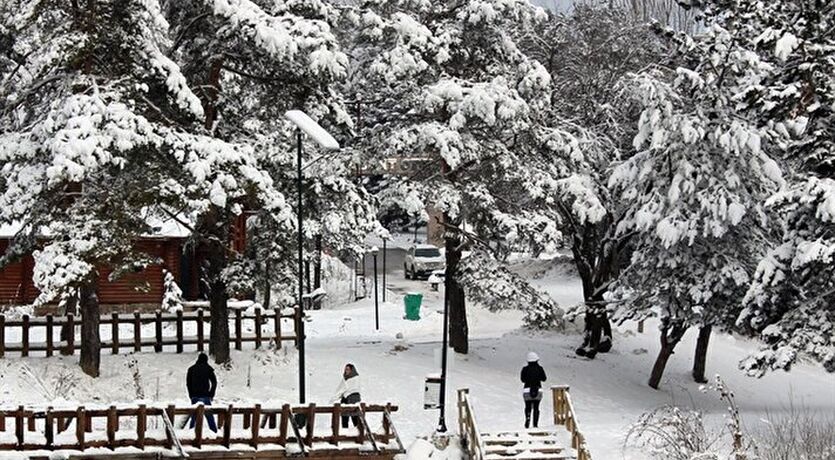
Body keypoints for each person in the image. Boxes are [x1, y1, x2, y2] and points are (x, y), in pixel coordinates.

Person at [186, 353, 218, 432]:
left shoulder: (191, 369)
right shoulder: (208, 368)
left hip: (195, 395)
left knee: (194, 415)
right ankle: (214, 432)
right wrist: (211, 394)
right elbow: (214, 382)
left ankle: (191, 432)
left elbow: (188, 383)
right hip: (205, 395)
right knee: (209, 416)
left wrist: (191, 394)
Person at [520, 351, 547, 429]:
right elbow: (544, 379)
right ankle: (535, 424)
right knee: (536, 407)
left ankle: (527, 418)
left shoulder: (524, 369)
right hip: (538, 390)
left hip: (527, 390)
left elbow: (522, 380)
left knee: (527, 406)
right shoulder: (540, 368)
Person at [331, 363, 361, 428]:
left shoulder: (355, 378)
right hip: (346, 399)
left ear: (351, 370)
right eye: (345, 369)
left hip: (352, 399)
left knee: (355, 418)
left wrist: (334, 398)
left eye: (347, 369)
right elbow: (340, 389)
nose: (346, 371)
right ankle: (345, 432)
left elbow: (345, 389)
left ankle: (358, 433)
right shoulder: (345, 378)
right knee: (344, 418)